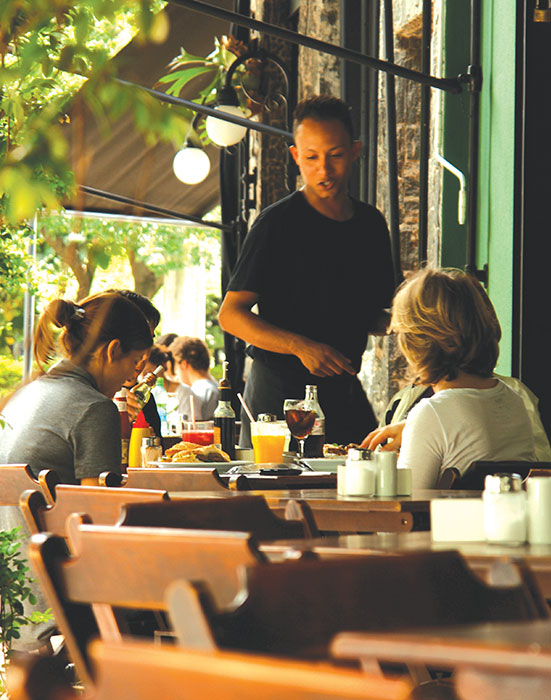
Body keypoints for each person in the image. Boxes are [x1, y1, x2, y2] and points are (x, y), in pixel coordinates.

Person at [218, 95, 395, 447]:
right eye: (312, 157)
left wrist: (412, 320)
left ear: (355, 151)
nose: (324, 170)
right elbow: (230, 316)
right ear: (296, 156)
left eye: (336, 155)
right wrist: (302, 346)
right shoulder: (276, 224)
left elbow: (377, 316)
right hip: (278, 393)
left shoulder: (371, 225)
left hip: (343, 391)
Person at [0, 291, 153, 650]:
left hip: (14, 609)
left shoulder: (24, 395)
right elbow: (97, 532)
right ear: (112, 350)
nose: (133, 378)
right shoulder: (93, 407)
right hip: (60, 617)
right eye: (136, 364)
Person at [366, 267, 535, 489]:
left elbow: (405, 510)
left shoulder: (431, 414)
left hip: (445, 524)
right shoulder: (515, 401)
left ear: (415, 344)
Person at [169, 336, 218, 420]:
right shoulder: (215, 386)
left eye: (175, 368)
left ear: (184, 364)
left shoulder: (198, 391)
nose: (176, 374)